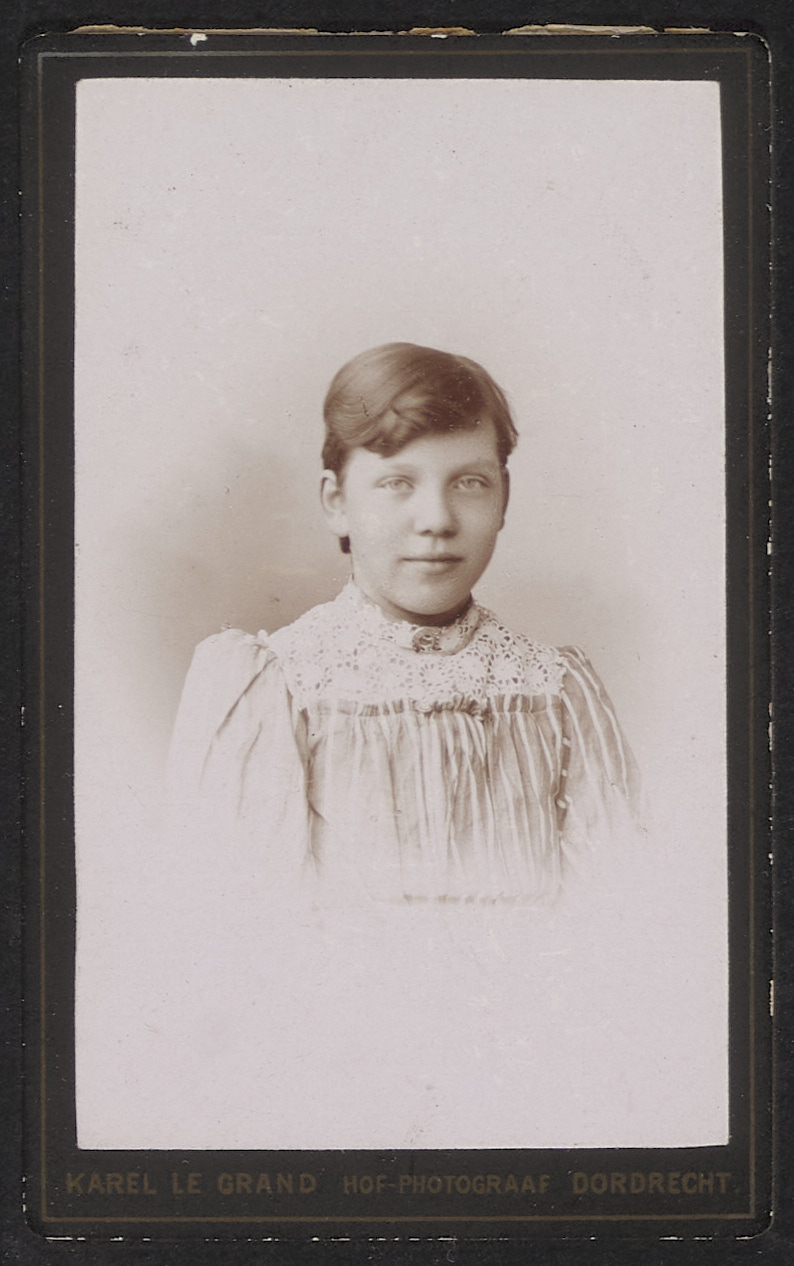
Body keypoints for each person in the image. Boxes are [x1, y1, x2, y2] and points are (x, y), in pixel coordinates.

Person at [167, 342, 638, 906]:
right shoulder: (282, 688)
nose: (437, 520)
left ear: (504, 499)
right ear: (337, 502)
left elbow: (617, 912)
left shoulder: (555, 691)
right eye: (397, 483)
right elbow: (240, 927)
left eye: (469, 482)